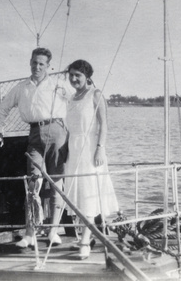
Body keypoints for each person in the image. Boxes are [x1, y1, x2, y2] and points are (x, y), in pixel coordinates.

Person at [0, 47, 71, 248]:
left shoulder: (59, 85)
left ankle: (53, 230)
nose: (37, 66)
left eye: (41, 63)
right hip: (35, 134)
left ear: (48, 66)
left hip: (57, 132)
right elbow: (3, 108)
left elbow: (77, 102)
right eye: (34, 62)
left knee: (56, 183)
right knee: (33, 183)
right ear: (30, 62)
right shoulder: (22, 87)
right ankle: (30, 233)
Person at [64, 59, 119, 259]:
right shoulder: (71, 98)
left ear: (87, 76)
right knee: (76, 194)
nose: (73, 78)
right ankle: (87, 235)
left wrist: (100, 149)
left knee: (89, 194)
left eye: (77, 75)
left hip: (90, 149)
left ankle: (85, 241)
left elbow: (104, 125)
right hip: (74, 150)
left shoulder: (95, 95)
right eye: (71, 75)